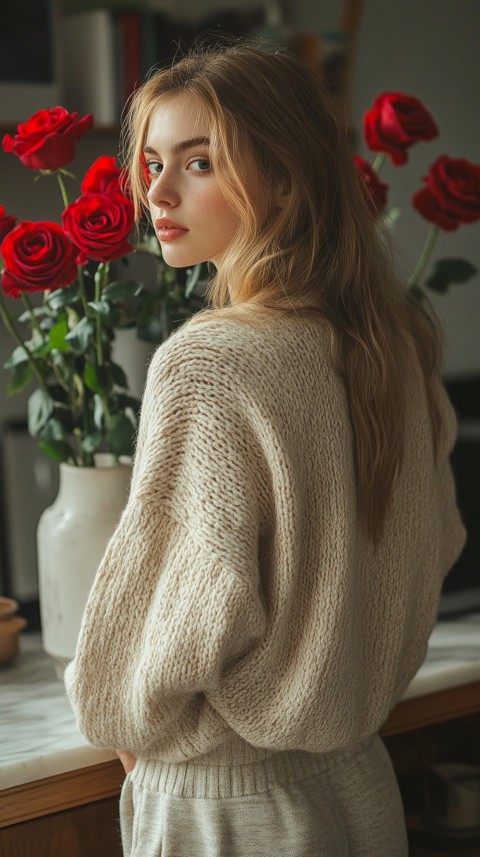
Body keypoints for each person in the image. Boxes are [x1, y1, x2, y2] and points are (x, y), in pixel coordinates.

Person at [65, 43, 466, 857]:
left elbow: (175, 613)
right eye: (151, 162)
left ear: (282, 178)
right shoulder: (390, 343)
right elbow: (438, 544)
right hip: (358, 787)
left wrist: (124, 713)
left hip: (227, 810)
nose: (158, 192)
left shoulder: (209, 361)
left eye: (200, 161)